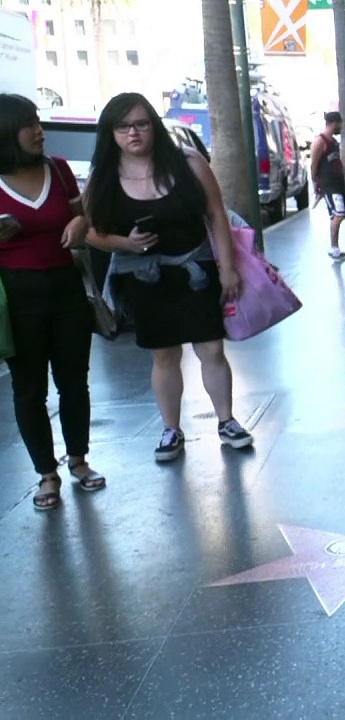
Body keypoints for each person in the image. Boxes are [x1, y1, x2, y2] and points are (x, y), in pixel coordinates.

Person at [83, 92, 253, 462]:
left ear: (154, 126)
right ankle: (171, 429)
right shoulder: (104, 176)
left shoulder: (187, 162)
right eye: (123, 126)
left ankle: (226, 421)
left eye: (141, 124)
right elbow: (91, 231)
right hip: (145, 279)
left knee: (211, 349)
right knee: (164, 356)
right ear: (110, 133)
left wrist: (227, 270)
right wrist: (125, 243)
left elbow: (216, 215)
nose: (133, 133)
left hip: (196, 272)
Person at [0, 93, 104, 510]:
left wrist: (80, 223)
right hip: (17, 295)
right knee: (29, 389)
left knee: (74, 380)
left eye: (38, 121)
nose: (39, 131)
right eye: (29, 124)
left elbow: (85, 217)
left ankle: (78, 459)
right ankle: (46, 473)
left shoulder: (58, 170)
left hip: (66, 289)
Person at [311, 111, 345, 262]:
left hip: (338, 183)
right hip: (328, 185)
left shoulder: (333, 142)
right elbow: (313, 165)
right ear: (334, 123)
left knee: (340, 213)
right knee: (338, 214)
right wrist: (316, 184)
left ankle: (336, 248)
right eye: (340, 123)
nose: (341, 126)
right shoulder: (320, 141)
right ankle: (334, 248)